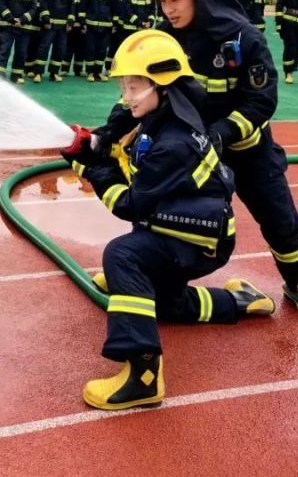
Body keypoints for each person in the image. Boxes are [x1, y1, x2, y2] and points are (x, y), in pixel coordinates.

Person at [94, 0, 298, 318]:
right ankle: (136, 273)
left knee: (278, 216)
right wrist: (110, 130)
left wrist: (220, 134)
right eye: (162, 1)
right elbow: (141, 88)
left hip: (247, 151)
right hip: (192, 150)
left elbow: (261, 101)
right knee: (158, 208)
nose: (168, 9)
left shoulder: (244, 38)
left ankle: (297, 284)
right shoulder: (165, 39)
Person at [60, 29, 275, 411]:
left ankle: (143, 377)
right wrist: (93, 146)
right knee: (162, 304)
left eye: (133, 86)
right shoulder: (161, 114)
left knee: (123, 255)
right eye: (124, 86)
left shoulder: (174, 143)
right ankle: (240, 301)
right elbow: (122, 141)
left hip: (198, 242)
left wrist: (92, 170)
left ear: (161, 85)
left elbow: (130, 204)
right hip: (187, 231)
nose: (126, 95)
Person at [35, 0, 75, 82]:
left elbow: (72, 5)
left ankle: (54, 73)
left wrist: (70, 21)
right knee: (44, 48)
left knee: (60, 49)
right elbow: (43, 3)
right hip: (49, 25)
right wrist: (46, 19)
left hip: (62, 27)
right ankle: (38, 73)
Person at [80, 0, 114, 82]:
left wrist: (114, 23)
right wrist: (83, 22)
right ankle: (90, 72)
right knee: (91, 49)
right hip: (91, 25)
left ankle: (98, 72)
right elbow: (83, 6)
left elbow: (114, 8)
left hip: (106, 26)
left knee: (102, 50)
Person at [107, 0, 132, 71]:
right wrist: (114, 24)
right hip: (115, 25)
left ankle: (113, 68)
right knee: (114, 46)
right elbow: (113, 9)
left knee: (117, 46)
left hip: (120, 25)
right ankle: (110, 68)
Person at [67, 0, 91, 76]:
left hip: (82, 24)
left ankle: (78, 69)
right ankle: (64, 69)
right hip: (72, 24)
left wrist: (84, 23)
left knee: (81, 47)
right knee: (69, 46)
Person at [26, 0, 49, 79]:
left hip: (38, 26)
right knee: (29, 48)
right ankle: (28, 69)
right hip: (30, 25)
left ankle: (32, 69)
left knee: (35, 48)